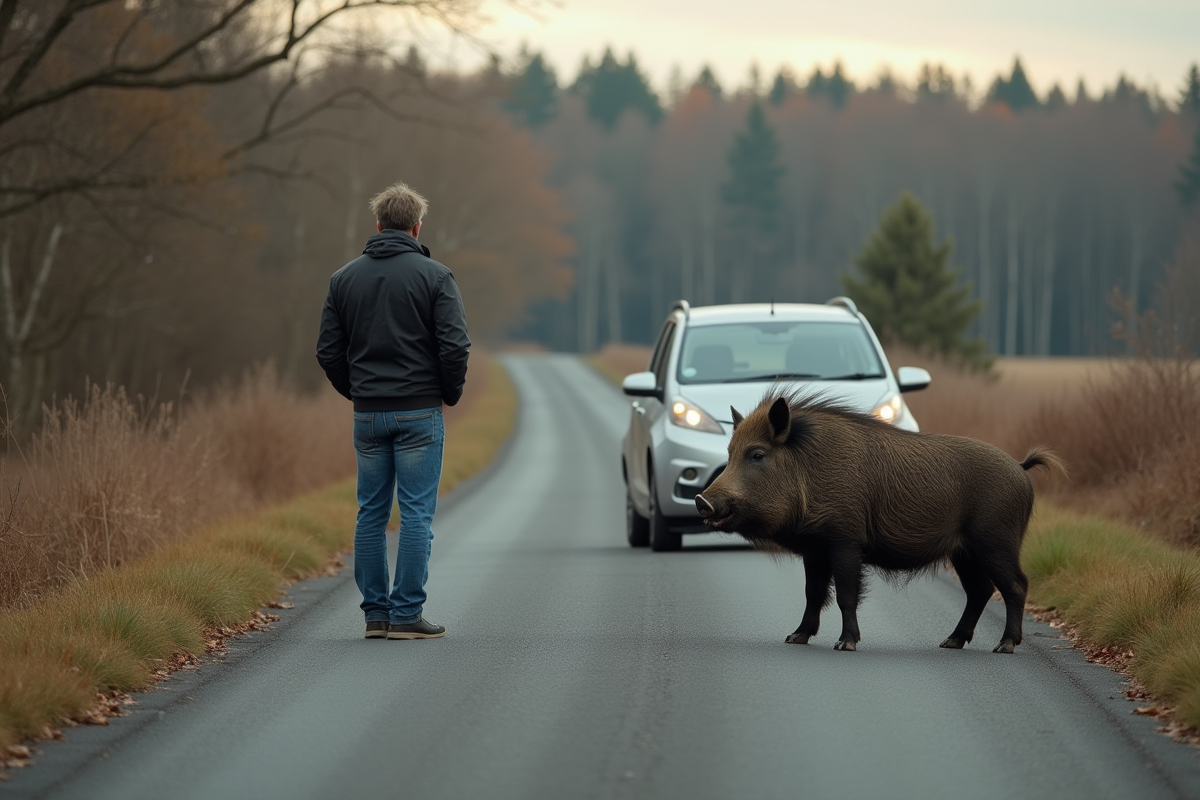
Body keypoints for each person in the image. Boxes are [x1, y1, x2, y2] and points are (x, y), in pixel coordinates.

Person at [316, 181, 470, 640]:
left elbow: (327, 351)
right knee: (416, 513)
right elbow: (455, 347)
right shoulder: (436, 277)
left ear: (378, 225)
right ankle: (406, 615)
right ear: (417, 226)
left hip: (368, 414)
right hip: (420, 412)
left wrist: (357, 393)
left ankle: (375, 617)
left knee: (370, 513)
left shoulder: (343, 279)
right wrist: (448, 393)